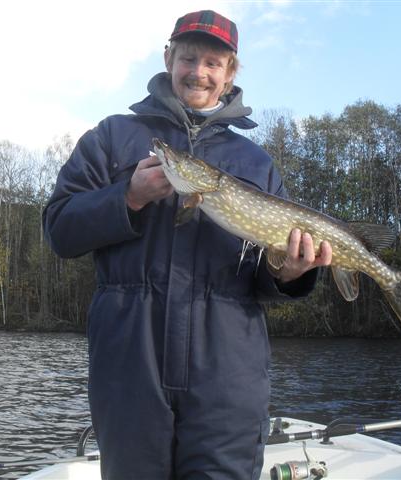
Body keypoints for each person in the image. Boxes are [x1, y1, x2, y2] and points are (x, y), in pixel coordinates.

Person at [43, 9, 332, 480]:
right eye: (189, 58)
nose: (199, 72)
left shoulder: (255, 162)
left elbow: (262, 278)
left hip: (227, 373)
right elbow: (59, 229)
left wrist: (289, 273)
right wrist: (128, 196)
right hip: (129, 366)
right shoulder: (112, 137)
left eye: (213, 63)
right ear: (168, 60)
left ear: (230, 73)